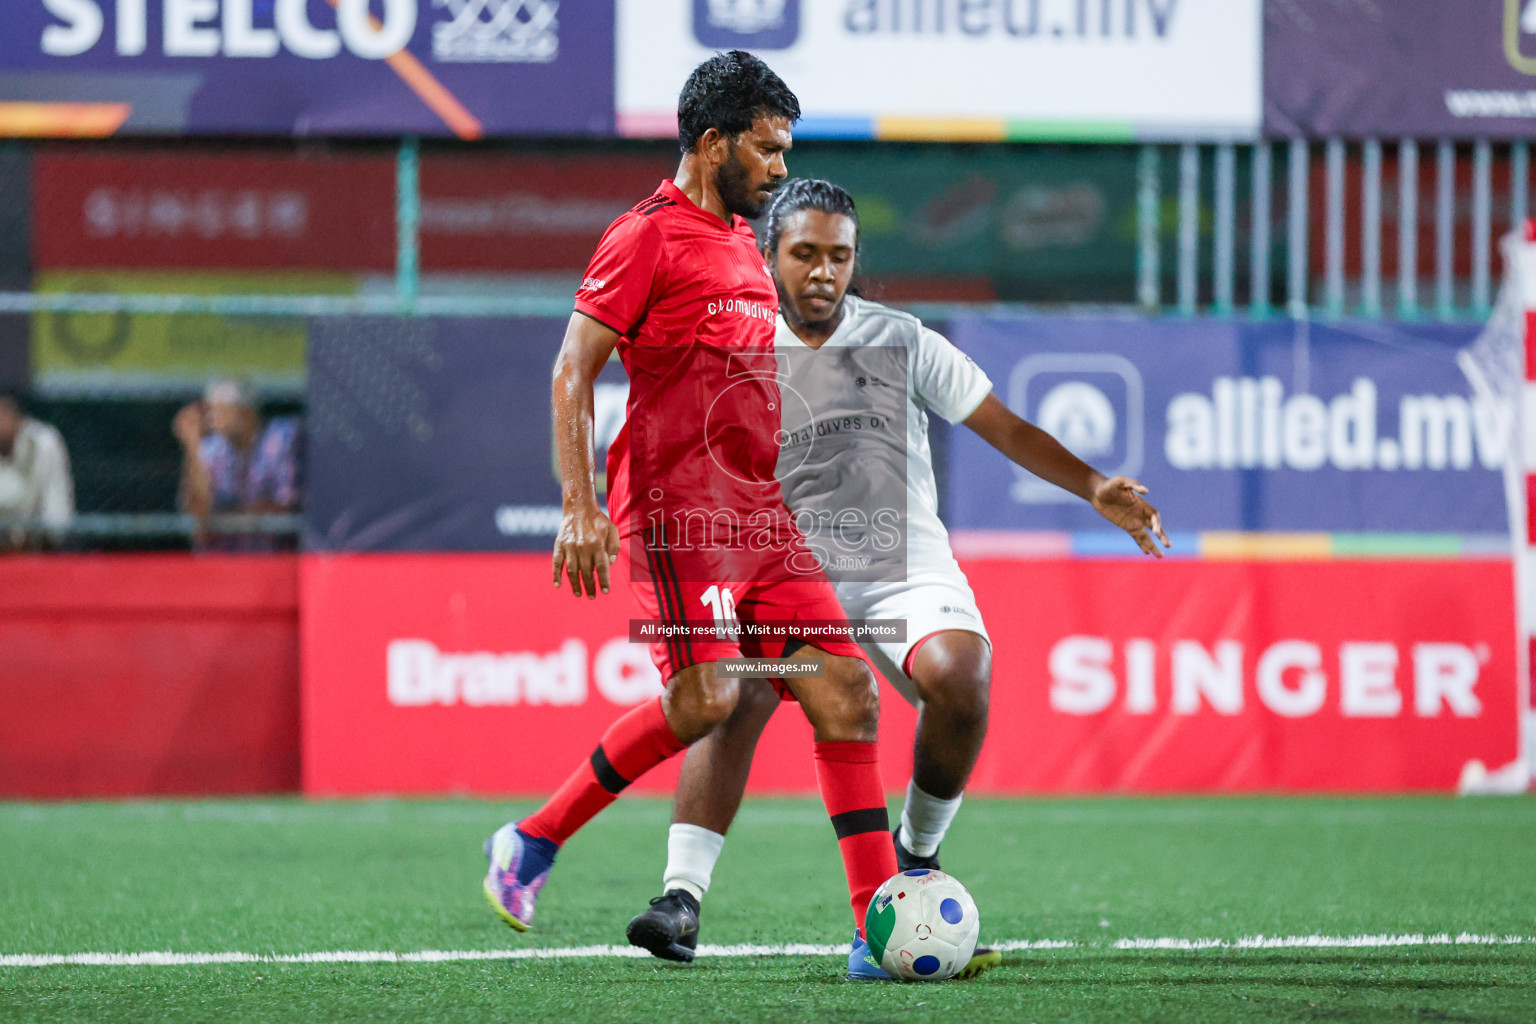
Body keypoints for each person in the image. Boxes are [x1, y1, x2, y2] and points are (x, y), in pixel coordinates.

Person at [622, 180, 1171, 978]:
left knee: (963, 676)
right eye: (804, 254)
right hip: (785, 570)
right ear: (771, 257)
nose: (822, 272)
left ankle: (913, 863)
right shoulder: (736, 346)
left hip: (899, 567)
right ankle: (680, 898)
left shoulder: (901, 340)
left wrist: (1093, 486)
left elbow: (1004, 425)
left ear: (854, 261)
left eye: (838, 256)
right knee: (736, 697)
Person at [480, 54, 901, 981]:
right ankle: (532, 840)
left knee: (847, 692)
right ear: (712, 145)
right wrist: (578, 507)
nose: (781, 168)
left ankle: (878, 933)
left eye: (785, 149)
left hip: (762, 516)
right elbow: (571, 369)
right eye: (766, 148)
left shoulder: (746, 244)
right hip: (681, 517)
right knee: (712, 697)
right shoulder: (643, 239)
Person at [174, 379, 301, 551]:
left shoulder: (280, 437)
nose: (210, 417)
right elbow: (199, 521)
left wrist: (223, 520)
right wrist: (192, 444)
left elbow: (284, 509)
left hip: (272, 560)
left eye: (218, 409)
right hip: (224, 563)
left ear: (245, 413)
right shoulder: (212, 449)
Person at [0, 389, 74, 550]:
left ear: (17, 417)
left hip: (38, 552)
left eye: (4, 413)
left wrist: (31, 541)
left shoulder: (44, 443)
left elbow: (57, 516)